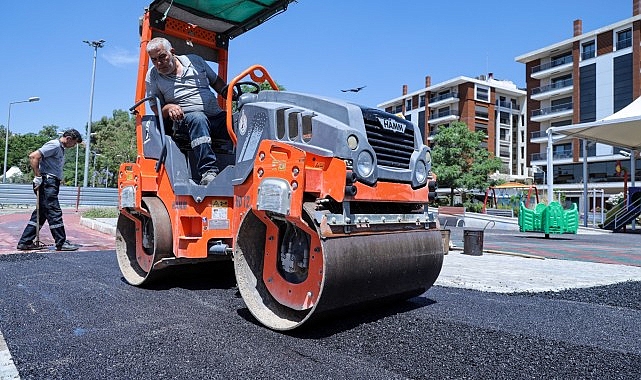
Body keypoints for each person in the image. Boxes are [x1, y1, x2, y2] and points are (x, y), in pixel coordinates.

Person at [145, 37, 231, 186]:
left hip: (215, 117)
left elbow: (216, 82)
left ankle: (242, 168)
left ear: (172, 52)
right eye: (154, 60)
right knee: (198, 118)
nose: (159, 63)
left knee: (238, 120)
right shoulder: (153, 76)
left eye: (162, 57)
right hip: (184, 122)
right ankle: (208, 171)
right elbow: (155, 107)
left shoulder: (196, 62)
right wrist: (169, 107)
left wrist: (232, 94)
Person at [16, 129, 83, 251]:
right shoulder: (54, 145)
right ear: (68, 138)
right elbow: (33, 156)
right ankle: (61, 242)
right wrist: (37, 176)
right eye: (74, 143)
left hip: (50, 182)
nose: (73, 146)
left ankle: (25, 242)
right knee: (54, 211)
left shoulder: (60, 148)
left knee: (41, 214)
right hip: (47, 183)